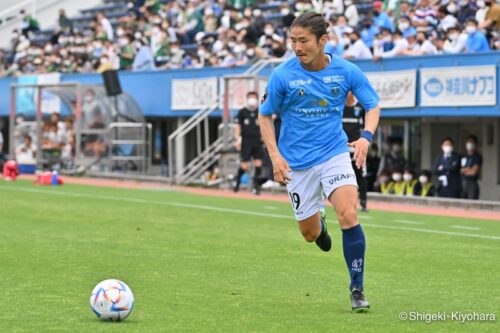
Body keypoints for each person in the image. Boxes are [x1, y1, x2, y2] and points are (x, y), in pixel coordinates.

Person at [258, 13, 380, 312]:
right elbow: (264, 115)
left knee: (349, 214)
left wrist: (365, 137)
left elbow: (372, 104)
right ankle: (319, 224)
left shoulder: (346, 71)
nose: (297, 47)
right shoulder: (282, 75)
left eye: (303, 41)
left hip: (334, 153)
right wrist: (275, 156)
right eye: (293, 41)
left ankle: (357, 288)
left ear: (322, 40)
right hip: (297, 163)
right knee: (310, 234)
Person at [233, 91, 265, 195]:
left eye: (254, 98)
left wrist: (264, 137)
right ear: (247, 99)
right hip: (246, 140)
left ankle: (256, 187)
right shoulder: (242, 112)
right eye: (250, 97)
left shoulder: (260, 111)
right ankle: (237, 182)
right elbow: (237, 126)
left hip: (257, 140)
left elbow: (265, 125)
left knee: (258, 163)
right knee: (244, 166)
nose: (252, 100)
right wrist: (237, 139)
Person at [342, 93, 368, 211]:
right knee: (342, 176)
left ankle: (363, 202)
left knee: (360, 175)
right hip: (341, 149)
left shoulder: (360, 107)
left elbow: (366, 125)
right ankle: (342, 202)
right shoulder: (339, 106)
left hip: (356, 148)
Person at [460, 135, 482, 199]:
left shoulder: (477, 157)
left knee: (471, 202)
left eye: (472, 142)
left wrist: (463, 170)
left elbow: (473, 172)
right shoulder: (463, 156)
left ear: (475, 144)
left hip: (471, 183)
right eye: (468, 142)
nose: (469, 144)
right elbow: (458, 170)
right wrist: (468, 169)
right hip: (462, 182)